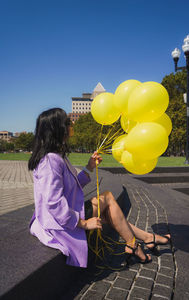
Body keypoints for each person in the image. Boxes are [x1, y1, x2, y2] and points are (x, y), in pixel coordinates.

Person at [29, 108, 171, 268]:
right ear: (58, 129)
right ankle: (136, 243)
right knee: (109, 198)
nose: (72, 124)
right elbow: (53, 203)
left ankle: (144, 239)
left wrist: (89, 167)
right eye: (68, 122)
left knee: (110, 212)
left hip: (65, 214)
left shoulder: (57, 156)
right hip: (59, 223)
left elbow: (71, 188)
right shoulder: (50, 161)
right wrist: (83, 224)